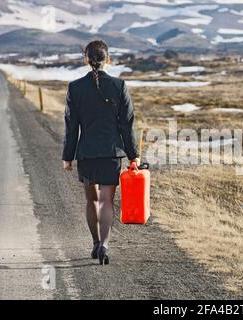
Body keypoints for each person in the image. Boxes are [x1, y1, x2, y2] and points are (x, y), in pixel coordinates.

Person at [62, 40, 140, 265]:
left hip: (86, 153)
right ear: (108, 59)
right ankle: (105, 246)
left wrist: (68, 156)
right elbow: (127, 125)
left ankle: (95, 243)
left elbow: (71, 126)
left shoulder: (75, 88)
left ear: (86, 59)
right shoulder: (119, 85)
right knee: (106, 200)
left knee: (91, 200)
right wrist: (133, 155)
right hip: (111, 153)